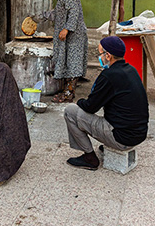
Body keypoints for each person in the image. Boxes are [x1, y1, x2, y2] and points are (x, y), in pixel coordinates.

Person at [64, 36, 149, 170]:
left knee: (70, 111)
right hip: (138, 134)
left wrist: (79, 101)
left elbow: (90, 107)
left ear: (108, 56)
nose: (100, 58)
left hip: (121, 138)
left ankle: (89, 157)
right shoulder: (131, 70)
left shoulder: (109, 75)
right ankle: (109, 142)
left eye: (100, 54)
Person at [36, 0, 88, 103]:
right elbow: (57, 14)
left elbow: (74, 12)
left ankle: (69, 94)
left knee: (73, 64)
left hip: (75, 37)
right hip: (67, 38)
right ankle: (66, 90)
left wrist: (66, 29)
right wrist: (41, 16)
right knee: (67, 63)